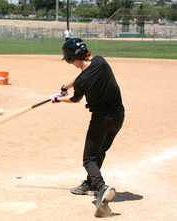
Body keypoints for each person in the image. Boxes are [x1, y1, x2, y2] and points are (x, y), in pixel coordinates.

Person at [50, 38, 125, 217]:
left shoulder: (83, 81)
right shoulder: (100, 61)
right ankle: (91, 183)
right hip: (118, 117)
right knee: (100, 151)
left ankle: (101, 187)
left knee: (89, 158)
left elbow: (75, 99)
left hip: (101, 120)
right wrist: (63, 88)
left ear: (70, 58)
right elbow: (83, 75)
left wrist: (57, 98)